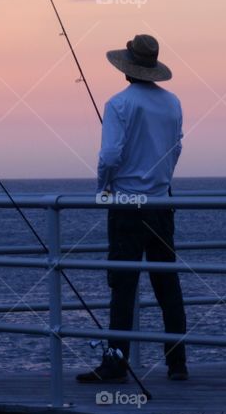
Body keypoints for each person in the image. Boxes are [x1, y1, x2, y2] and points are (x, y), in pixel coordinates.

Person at [76, 34, 188, 384]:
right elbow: (176, 148)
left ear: (127, 67)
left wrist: (102, 188)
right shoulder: (173, 103)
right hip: (161, 204)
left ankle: (115, 364)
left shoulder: (119, 104)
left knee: (123, 286)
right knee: (167, 284)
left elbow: (110, 155)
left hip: (126, 205)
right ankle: (177, 364)